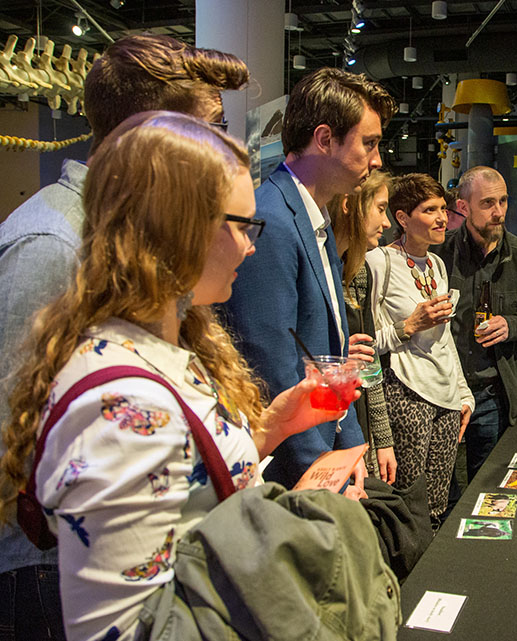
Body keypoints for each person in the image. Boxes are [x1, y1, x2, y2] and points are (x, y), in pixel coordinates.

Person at [0, 112, 353, 641]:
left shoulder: (166, 345)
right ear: (179, 229)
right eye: (241, 225)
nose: (251, 245)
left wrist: (272, 427)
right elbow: (123, 628)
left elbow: (181, 480)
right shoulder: (122, 400)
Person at [0, 34, 249, 641]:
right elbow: (17, 437)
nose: (222, 141)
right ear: (156, 139)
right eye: (211, 126)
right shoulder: (52, 244)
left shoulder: (129, 246)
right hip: (50, 568)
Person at [221, 67, 396, 492]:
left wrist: (352, 451)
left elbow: (331, 357)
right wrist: (320, 471)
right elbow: (271, 365)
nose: (377, 160)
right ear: (324, 139)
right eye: (368, 143)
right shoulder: (273, 219)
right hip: (289, 475)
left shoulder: (314, 219)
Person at [434, 166, 517, 483]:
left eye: (502, 201)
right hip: (444, 392)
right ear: (463, 207)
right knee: (441, 487)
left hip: (493, 393)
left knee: (486, 483)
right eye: (488, 203)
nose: (498, 212)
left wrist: (512, 325)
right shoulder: (439, 255)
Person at [367, 173, 474, 526]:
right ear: (402, 218)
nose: (442, 218)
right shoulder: (379, 262)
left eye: (443, 209)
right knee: (407, 503)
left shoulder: (437, 264)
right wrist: (408, 326)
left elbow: (444, 340)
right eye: (430, 210)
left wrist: (463, 391)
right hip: (406, 394)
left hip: (445, 396)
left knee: (437, 504)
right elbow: (367, 342)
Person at [327, 170, 398, 484]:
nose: (386, 224)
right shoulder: (323, 269)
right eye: (381, 209)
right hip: (329, 431)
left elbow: (371, 366)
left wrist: (383, 440)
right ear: (349, 205)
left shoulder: (359, 272)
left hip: (360, 426)